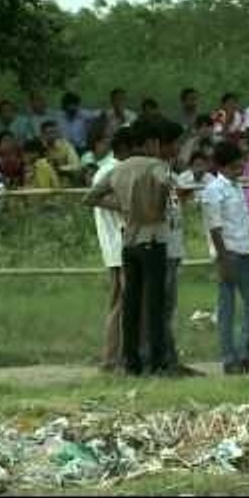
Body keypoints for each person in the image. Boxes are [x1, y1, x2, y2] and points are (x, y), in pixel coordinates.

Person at [84, 118, 172, 376]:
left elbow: (90, 197)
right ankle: (157, 361)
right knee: (154, 304)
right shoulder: (156, 165)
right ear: (150, 143)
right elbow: (166, 184)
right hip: (152, 238)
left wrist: (124, 206)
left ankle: (130, 360)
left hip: (128, 241)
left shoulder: (118, 170)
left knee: (130, 304)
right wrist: (157, 206)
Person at [201, 141, 249, 375]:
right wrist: (222, 259)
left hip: (245, 251)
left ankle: (244, 352)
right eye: (238, 160)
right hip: (229, 253)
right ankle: (230, 358)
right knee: (227, 307)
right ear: (227, 164)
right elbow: (215, 228)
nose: (242, 164)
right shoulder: (214, 190)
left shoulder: (236, 187)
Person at [156, 118, 204, 378]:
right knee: (162, 307)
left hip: (173, 249)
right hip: (162, 249)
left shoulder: (170, 174)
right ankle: (165, 359)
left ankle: (169, 357)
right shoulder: (156, 172)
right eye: (174, 143)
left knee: (169, 307)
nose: (177, 148)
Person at [91, 127, 132, 372]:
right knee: (123, 303)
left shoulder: (104, 170)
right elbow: (117, 204)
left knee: (118, 300)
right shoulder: (113, 171)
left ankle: (112, 356)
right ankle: (113, 357)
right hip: (120, 242)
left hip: (113, 245)